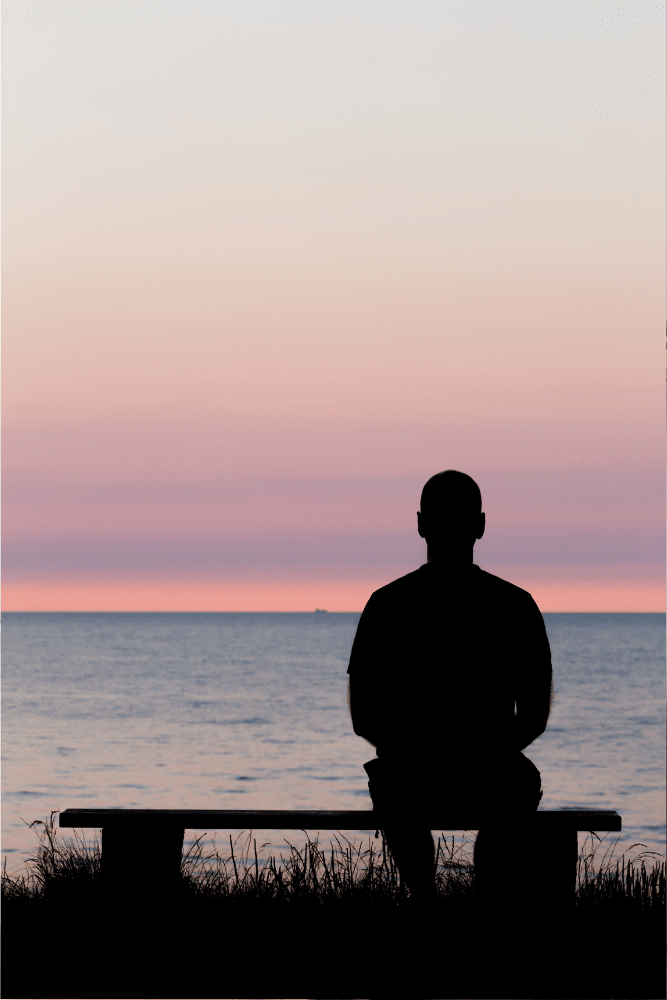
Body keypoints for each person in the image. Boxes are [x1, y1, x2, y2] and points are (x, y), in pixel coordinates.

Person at [346, 470, 553, 909]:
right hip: (492, 773)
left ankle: (424, 900)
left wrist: (412, 748)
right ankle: (486, 902)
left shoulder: (387, 604)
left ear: (420, 524)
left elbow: (364, 715)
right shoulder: (516, 605)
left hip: (409, 772)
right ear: (480, 525)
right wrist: (488, 751)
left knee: (391, 779)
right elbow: (533, 716)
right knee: (518, 782)